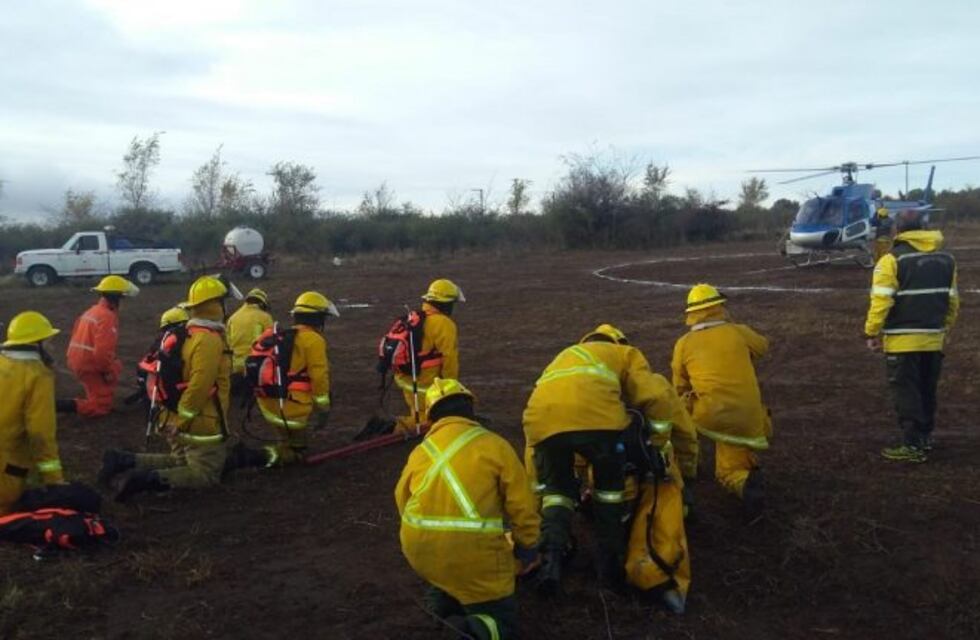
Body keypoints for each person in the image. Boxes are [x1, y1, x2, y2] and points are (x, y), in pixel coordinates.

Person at [522, 324, 698, 594]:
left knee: (557, 492)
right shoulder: (625, 354)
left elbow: (537, 453)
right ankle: (609, 565)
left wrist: (536, 505)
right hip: (599, 424)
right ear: (618, 342)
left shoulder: (564, 357)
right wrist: (659, 444)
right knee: (609, 494)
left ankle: (552, 558)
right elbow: (655, 397)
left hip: (540, 423)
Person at [395, 378, 539, 640]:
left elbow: (401, 500)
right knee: (502, 623)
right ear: (471, 408)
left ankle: (441, 604)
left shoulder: (421, 451)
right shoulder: (494, 445)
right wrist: (527, 546)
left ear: (432, 416)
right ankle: (471, 631)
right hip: (474, 554)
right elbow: (523, 505)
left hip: (418, 546)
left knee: (445, 576)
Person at [98, 276, 232, 500]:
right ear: (215, 305)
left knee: (181, 461)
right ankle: (142, 482)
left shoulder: (183, 334)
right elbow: (201, 384)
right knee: (205, 473)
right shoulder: (209, 340)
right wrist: (184, 420)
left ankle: (123, 461)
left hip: (169, 413)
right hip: (199, 420)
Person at [864, 209, 958, 462]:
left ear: (898, 230)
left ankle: (912, 445)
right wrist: (944, 328)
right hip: (934, 338)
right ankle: (926, 437)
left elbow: (881, 301)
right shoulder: (947, 260)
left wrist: (871, 332)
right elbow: (952, 302)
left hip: (902, 341)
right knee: (927, 389)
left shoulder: (891, 260)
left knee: (906, 392)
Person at [672, 283, 771, 517]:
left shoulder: (683, 344)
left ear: (691, 313)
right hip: (750, 413)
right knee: (733, 439)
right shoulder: (738, 332)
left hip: (709, 415)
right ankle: (746, 471)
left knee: (724, 463)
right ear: (719, 307)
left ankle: (734, 478)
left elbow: (678, 386)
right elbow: (762, 347)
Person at [228, 291, 337, 470]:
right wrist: (323, 408)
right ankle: (256, 457)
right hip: (293, 409)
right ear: (319, 318)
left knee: (284, 439)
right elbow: (319, 377)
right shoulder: (313, 340)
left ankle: (278, 449)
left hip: (269, 405)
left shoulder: (280, 336)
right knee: (297, 451)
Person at [359, 278, 463, 439]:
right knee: (427, 420)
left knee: (417, 412)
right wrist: (450, 388)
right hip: (425, 384)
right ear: (446, 303)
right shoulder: (444, 324)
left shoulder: (413, 318)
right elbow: (449, 357)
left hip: (407, 379)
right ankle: (392, 429)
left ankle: (398, 424)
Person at [0, 312, 65, 514]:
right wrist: (55, 482)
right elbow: (40, 434)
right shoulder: (38, 376)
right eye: (48, 341)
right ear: (37, 344)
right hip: (6, 468)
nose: (51, 346)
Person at [60, 275, 139, 416]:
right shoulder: (107, 317)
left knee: (112, 370)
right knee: (100, 407)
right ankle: (61, 405)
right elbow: (102, 353)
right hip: (89, 364)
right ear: (117, 298)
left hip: (78, 360)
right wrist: (107, 371)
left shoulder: (93, 311)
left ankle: (94, 397)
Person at [226, 288, 273, 395]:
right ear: (262, 303)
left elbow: (227, 342)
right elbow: (272, 341)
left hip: (235, 366)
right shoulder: (264, 317)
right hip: (256, 366)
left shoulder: (233, 318)